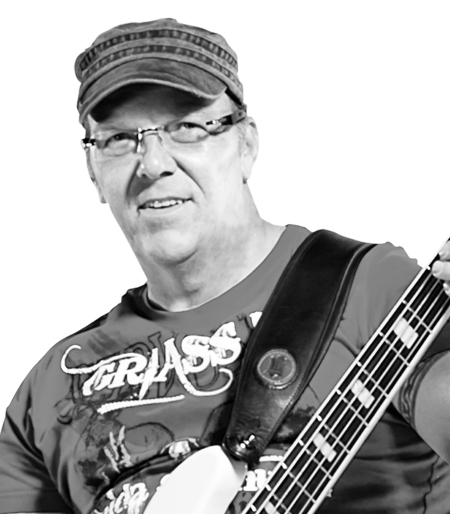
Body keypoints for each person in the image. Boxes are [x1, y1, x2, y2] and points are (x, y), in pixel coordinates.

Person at [0, 18, 449, 514]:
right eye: (120, 138)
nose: (152, 164)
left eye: (188, 128)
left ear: (246, 144)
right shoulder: (53, 385)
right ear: (92, 169)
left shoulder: (373, 290)